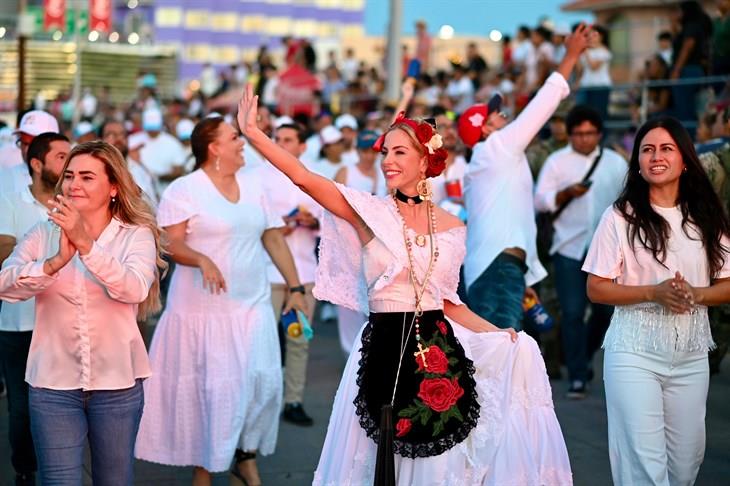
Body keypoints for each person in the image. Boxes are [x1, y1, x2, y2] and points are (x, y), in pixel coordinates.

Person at [238, 83, 572, 485]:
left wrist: (499, 333)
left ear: (424, 159)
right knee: (374, 468)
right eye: (384, 153)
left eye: (399, 152)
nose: (387, 162)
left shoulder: (452, 227)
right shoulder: (369, 213)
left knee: (434, 468)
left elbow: (448, 301)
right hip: (379, 347)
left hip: (438, 355)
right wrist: (255, 135)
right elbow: (306, 179)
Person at [134, 117, 306, 486]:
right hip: (202, 309)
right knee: (212, 389)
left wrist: (296, 287)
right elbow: (169, 242)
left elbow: (273, 238)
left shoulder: (254, 185)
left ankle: (243, 456)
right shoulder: (185, 189)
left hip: (252, 303)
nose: (241, 142)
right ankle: (206, 469)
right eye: (234, 137)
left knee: (261, 382)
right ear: (213, 148)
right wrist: (201, 259)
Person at [0, 140, 164, 484]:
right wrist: (54, 263)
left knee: (114, 480)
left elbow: (133, 289)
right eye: (70, 175)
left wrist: (86, 246)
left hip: (118, 383)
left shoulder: (136, 236)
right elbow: (5, 285)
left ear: (114, 187)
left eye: (87, 177)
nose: (74, 184)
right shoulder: (43, 232)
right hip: (52, 385)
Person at [583, 116, 730, 485]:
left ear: (685, 159)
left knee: (686, 462)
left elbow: (727, 284)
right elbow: (597, 287)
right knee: (642, 463)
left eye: (666, 148)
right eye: (647, 149)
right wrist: (654, 292)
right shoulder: (619, 217)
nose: (656, 156)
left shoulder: (707, 216)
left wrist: (694, 294)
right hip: (633, 353)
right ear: (637, 162)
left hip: (692, 354)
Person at [458, 24, 593, 332]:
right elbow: (543, 105)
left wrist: (525, 275)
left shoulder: (490, 159)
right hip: (498, 269)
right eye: (495, 114)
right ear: (485, 129)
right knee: (499, 358)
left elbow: (513, 217)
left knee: (494, 357)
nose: (503, 115)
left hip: (501, 268)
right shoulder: (495, 148)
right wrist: (570, 56)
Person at [534, 105, 627, 398]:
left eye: (589, 134)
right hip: (568, 247)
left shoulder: (615, 163)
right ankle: (577, 375)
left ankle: (585, 358)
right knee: (572, 313)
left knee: (605, 311)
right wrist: (565, 194)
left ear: (599, 134)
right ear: (570, 135)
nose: (584, 139)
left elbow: (627, 201)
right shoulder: (556, 161)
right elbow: (539, 200)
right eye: (578, 134)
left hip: (607, 249)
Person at [0, 132, 70, 486]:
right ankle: (25, 470)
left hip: (66, 322)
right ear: (37, 164)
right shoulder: (9, 201)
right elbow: (4, 253)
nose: (68, 163)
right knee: (23, 405)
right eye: (61, 157)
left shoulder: (78, 204)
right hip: (20, 324)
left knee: (66, 401)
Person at [264, 123, 322, 426]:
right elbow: (257, 222)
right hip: (269, 272)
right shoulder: (260, 176)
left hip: (303, 272)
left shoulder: (312, 176)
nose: (281, 143)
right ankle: (263, 401)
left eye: (288, 139)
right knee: (264, 340)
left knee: (298, 339)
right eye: (278, 139)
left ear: (302, 146)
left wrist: (311, 220)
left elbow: (326, 218)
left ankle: (293, 401)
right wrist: (282, 223)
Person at [333, 130, 385, 354]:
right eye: (364, 151)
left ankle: (371, 352)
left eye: (372, 151)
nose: (368, 156)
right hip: (349, 244)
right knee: (349, 302)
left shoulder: (384, 173)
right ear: (357, 151)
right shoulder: (347, 172)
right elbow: (334, 207)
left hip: (378, 245)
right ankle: (351, 353)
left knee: (375, 300)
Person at [670, 1, 713, 126]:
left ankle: (690, 139)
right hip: (692, 70)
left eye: (680, 11)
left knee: (686, 111)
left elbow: (687, 47)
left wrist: (677, 70)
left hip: (687, 71)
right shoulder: (692, 27)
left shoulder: (692, 27)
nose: (678, 14)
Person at [0, 110, 60, 194]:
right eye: (24, 143)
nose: (26, 150)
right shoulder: (6, 178)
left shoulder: (69, 175)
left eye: (33, 143)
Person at [577, 25, 612, 121]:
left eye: (594, 34)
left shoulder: (605, 51)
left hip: (600, 86)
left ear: (601, 36)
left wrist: (586, 50)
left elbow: (593, 67)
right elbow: (580, 70)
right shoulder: (586, 52)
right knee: (584, 115)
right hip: (586, 86)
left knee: (599, 115)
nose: (590, 37)